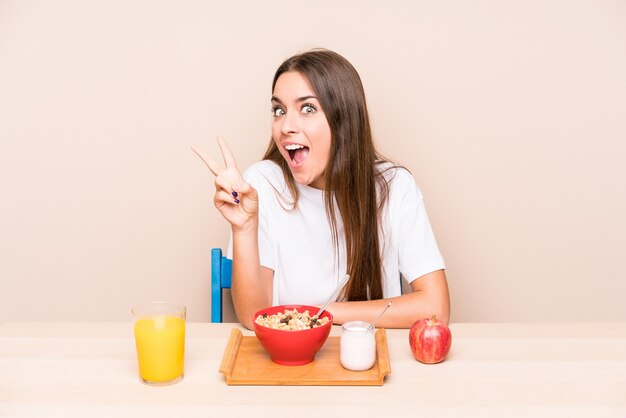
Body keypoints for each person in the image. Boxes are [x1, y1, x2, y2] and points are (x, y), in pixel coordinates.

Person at [192, 49, 449, 329]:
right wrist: (243, 228)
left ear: (344, 121)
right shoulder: (262, 185)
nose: (286, 126)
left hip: (365, 359)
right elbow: (255, 318)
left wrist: (318, 315)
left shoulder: (394, 187)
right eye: (279, 110)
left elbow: (435, 307)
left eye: (308, 108)